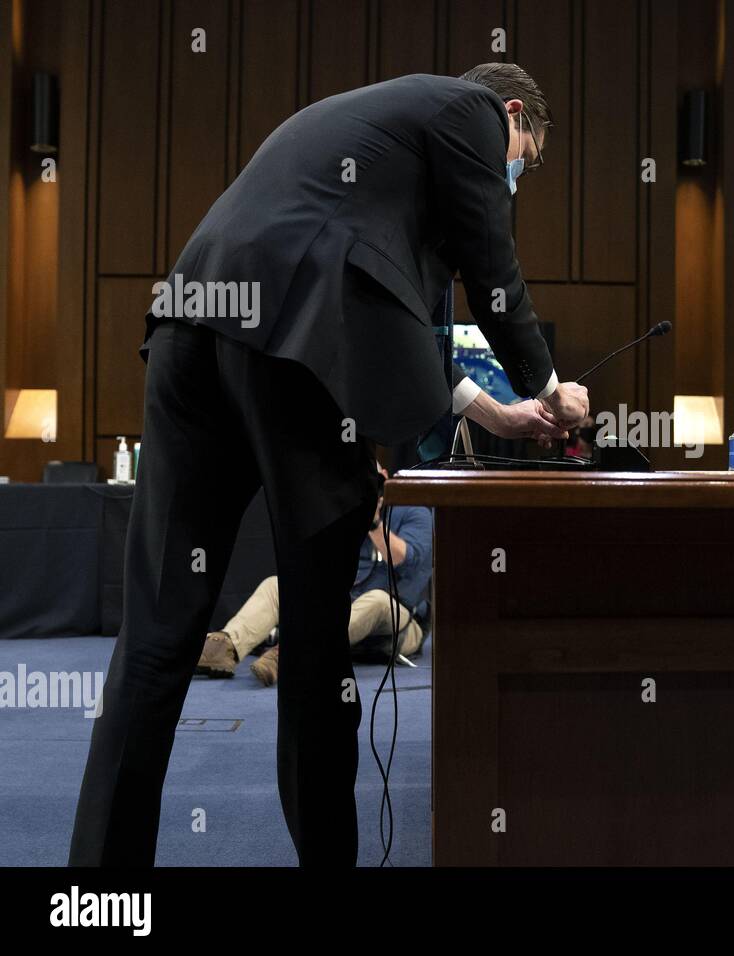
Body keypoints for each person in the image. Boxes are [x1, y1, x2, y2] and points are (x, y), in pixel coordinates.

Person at [69, 64, 590, 867]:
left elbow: (406, 313)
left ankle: (101, 894)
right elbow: (495, 275)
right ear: (514, 111)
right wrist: (551, 391)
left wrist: (495, 412)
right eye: (529, 152)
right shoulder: (475, 111)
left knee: (155, 634)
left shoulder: (375, 149)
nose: (518, 168)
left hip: (192, 330)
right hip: (298, 351)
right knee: (317, 646)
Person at [195, 465, 433, 686]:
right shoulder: (346, 510)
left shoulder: (413, 511)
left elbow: (407, 560)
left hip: (398, 620)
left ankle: (289, 652)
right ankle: (225, 648)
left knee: (377, 600)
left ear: (386, 479)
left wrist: (374, 523)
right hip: (343, 610)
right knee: (276, 586)